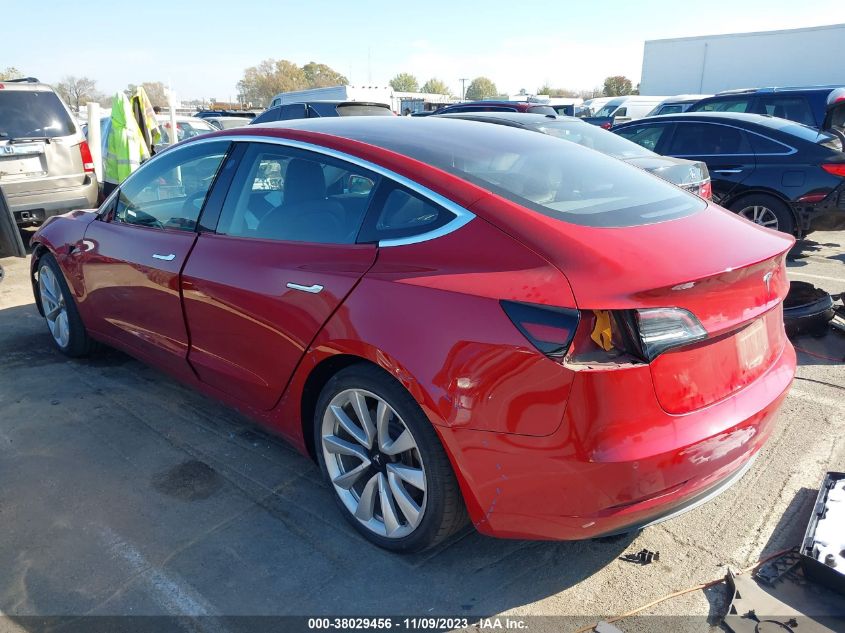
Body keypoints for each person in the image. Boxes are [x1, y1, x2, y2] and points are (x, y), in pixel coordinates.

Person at [102, 93, 149, 197]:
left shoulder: (112, 128)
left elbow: (104, 154)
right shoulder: (133, 127)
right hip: (132, 180)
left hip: (114, 181)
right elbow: (143, 152)